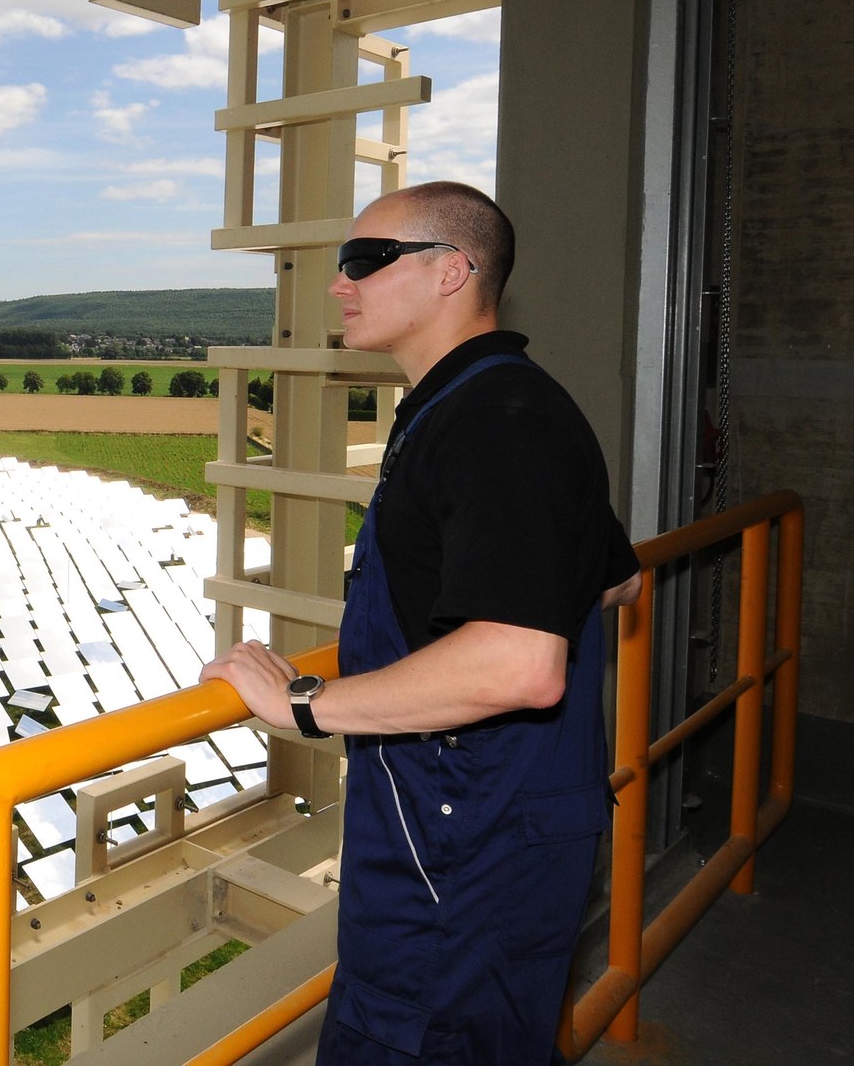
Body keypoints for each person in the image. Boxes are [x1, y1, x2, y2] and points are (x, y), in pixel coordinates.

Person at [200, 181, 641, 1064]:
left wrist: (304, 706)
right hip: (497, 828)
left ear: (452, 272)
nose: (340, 284)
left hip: (458, 851)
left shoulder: (495, 424)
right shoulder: (497, 404)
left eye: (366, 260)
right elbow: (617, 585)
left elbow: (520, 666)